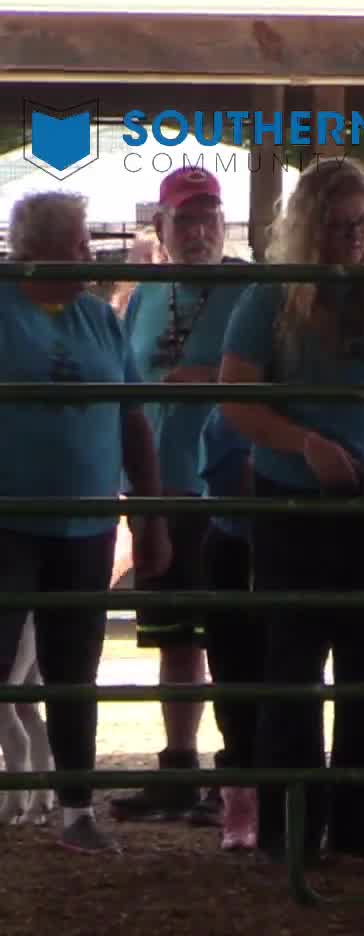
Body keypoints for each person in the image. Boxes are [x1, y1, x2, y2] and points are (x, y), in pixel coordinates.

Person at [217, 156, 364, 865]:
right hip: (292, 500)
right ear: (308, 228)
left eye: (363, 224)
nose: (352, 238)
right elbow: (235, 399)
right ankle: (293, 823)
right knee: (291, 663)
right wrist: (305, 443)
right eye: (337, 226)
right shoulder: (270, 299)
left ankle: (362, 813)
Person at [0, 190, 170, 854]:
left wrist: (147, 513)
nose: (89, 254)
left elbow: (132, 417)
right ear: (40, 251)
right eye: (78, 244)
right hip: (9, 519)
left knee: (76, 669)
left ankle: (76, 809)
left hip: (87, 524)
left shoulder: (102, 319)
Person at [109, 166, 255, 828]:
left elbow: (273, 375)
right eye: (185, 220)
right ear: (162, 229)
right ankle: (179, 768)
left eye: (208, 219)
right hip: (159, 486)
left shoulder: (254, 291)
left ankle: (241, 773)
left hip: (226, 485)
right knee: (172, 637)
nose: (198, 231)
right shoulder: (142, 297)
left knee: (230, 633)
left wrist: (213, 377)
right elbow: (128, 385)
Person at [196, 407, 264, 851]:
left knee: (294, 669)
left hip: (295, 541)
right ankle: (240, 794)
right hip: (236, 541)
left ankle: (285, 795)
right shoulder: (229, 411)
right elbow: (222, 477)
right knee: (232, 672)